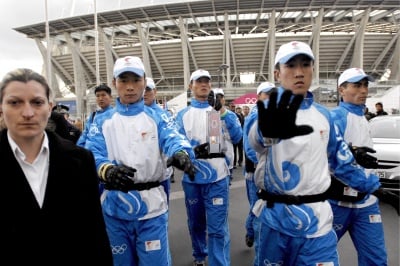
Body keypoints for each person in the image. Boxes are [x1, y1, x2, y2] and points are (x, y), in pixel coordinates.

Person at [244, 41, 380, 266]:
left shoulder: (324, 116)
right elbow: (256, 141)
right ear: (278, 73)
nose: (299, 72)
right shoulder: (267, 111)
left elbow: (342, 163)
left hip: (318, 223)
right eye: (291, 66)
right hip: (275, 220)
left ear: (313, 71)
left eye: (305, 65)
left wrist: (377, 188)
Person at [85, 56, 196, 266]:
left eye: (135, 80)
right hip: (114, 209)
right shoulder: (102, 121)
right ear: (114, 83)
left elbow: (173, 138)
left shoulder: (158, 117)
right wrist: (107, 171)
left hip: (151, 209)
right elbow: (92, 153)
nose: (129, 87)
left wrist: (181, 153)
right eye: (123, 80)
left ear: (144, 81)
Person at [0, 68, 113, 265]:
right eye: (15, 102)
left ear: (50, 107)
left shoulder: (80, 160)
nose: (27, 113)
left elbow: (94, 234)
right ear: (1, 108)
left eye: (37, 102)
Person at [175, 69, 234, 266]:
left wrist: (223, 113)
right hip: (193, 177)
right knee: (196, 222)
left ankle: (219, 263)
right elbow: (176, 145)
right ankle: (199, 255)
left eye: (206, 81)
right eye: (198, 81)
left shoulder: (217, 111)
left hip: (217, 176)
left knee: (218, 228)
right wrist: (192, 153)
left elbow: (238, 136)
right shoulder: (182, 115)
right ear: (191, 86)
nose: (203, 84)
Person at [330, 67, 387, 265]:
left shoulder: (364, 117)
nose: (363, 90)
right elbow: (333, 157)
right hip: (336, 203)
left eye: (365, 85)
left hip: (366, 204)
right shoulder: (336, 116)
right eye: (357, 85)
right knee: (320, 258)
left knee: (376, 260)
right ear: (341, 90)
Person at [242, 81, 276, 249]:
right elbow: (250, 147)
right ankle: (257, 246)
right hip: (256, 171)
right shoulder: (256, 115)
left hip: (265, 170)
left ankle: (251, 233)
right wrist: (262, 164)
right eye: (267, 94)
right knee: (259, 207)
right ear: (258, 97)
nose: (270, 97)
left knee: (259, 206)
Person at [143, 76, 176, 199]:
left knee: (161, 214)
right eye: (143, 90)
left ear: (155, 92)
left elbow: (172, 138)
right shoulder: (132, 115)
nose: (145, 93)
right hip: (136, 177)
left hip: (159, 177)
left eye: (148, 90)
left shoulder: (163, 115)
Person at [210, 88, 243, 184]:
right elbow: (213, 144)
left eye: (220, 97)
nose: (218, 100)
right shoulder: (208, 116)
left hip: (227, 157)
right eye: (216, 98)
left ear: (223, 99)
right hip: (210, 162)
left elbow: (237, 137)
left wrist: (224, 115)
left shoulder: (231, 116)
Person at [76, 83, 113, 147]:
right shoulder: (93, 116)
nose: (100, 98)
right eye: (98, 96)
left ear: (110, 97)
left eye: (103, 95)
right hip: (89, 154)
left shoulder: (115, 115)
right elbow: (85, 134)